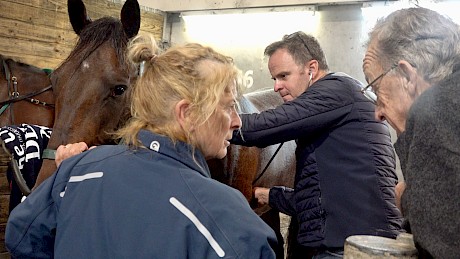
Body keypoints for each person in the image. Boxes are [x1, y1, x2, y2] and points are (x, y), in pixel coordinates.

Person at [5, 33, 278, 258]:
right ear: (187, 113)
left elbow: (20, 237)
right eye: (229, 107)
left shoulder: (77, 170)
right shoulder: (227, 216)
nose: (237, 122)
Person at [232, 31, 403, 258]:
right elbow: (325, 198)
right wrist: (270, 195)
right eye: (274, 79)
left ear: (311, 69)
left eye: (284, 76)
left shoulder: (334, 92)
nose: (276, 87)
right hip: (355, 239)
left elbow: (264, 126)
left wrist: (213, 122)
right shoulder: (341, 103)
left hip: (348, 246)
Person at [362, 7, 460, 258]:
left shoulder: (437, 111)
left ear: (406, 75)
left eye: (376, 88)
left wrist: (414, 198)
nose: (378, 113)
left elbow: (443, 245)